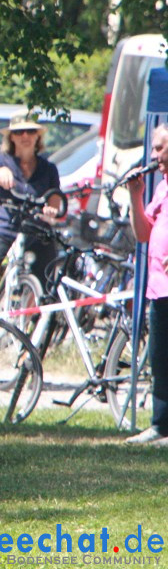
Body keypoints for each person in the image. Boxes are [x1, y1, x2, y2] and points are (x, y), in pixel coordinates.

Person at [124, 123, 168, 445]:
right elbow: (143, 234)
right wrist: (135, 195)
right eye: (154, 148)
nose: (154, 155)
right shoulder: (162, 187)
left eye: (159, 148)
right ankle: (160, 425)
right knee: (160, 358)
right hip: (159, 288)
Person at [0, 111, 62, 289]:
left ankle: (38, 312)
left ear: (38, 136)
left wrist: (51, 211)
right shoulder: (1, 159)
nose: (25, 136)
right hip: (7, 226)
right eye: (19, 132)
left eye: (30, 131)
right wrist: (0, 173)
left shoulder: (48, 168)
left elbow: (55, 200)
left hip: (37, 229)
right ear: (11, 137)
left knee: (48, 276)